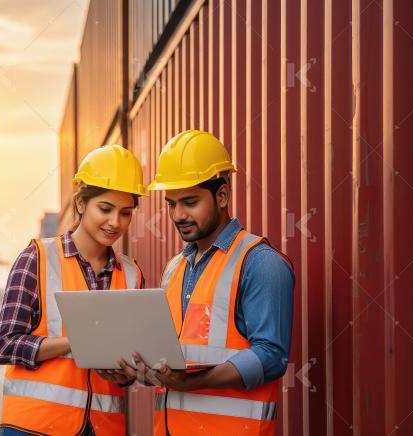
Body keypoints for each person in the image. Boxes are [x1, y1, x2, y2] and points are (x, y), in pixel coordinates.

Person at [118, 130, 295, 435]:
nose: (178, 215)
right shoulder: (175, 269)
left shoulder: (261, 263)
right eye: (171, 204)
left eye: (189, 202)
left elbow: (271, 357)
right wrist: (137, 372)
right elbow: (175, 359)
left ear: (222, 196)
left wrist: (193, 383)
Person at [0, 144, 147, 436]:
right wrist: (75, 341)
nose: (115, 222)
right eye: (105, 209)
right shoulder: (37, 258)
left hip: (102, 428)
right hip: (34, 426)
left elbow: (131, 364)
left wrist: (128, 373)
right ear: (80, 204)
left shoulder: (131, 274)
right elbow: (5, 345)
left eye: (125, 213)